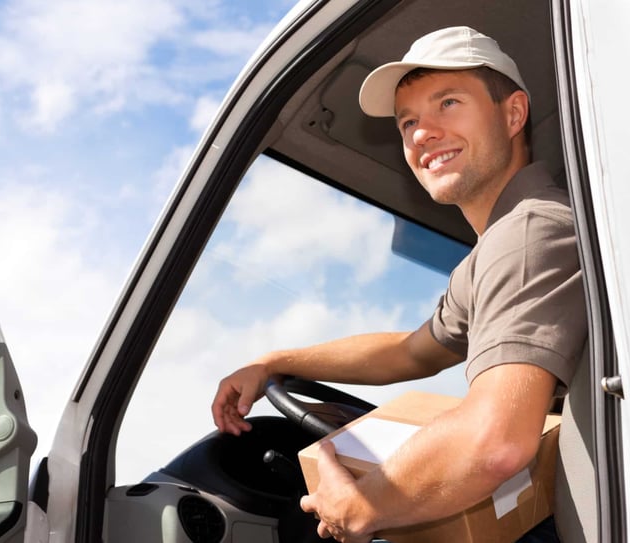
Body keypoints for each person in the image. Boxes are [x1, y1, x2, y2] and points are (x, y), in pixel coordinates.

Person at [212, 26, 587, 543]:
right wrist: (275, 362)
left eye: (448, 103)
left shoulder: (528, 231)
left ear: (513, 113)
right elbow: (410, 352)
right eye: (408, 122)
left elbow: (495, 441)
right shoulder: (497, 247)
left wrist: (362, 506)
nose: (421, 133)